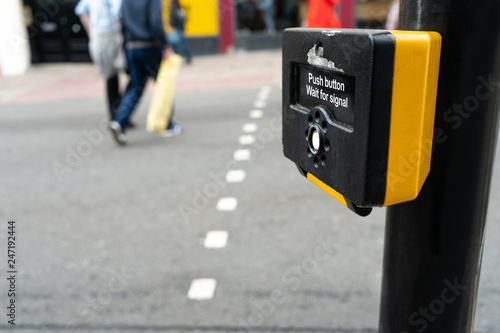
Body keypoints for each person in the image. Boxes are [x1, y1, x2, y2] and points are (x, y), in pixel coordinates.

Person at [109, 0, 182, 145]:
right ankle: (167, 124)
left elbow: (121, 23)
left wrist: (126, 47)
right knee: (163, 85)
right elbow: (155, 22)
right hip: (150, 47)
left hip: (132, 47)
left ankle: (119, 122)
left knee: (135, 87)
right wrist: (165, 45)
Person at [75, 0, 127, 121]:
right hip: (104, 36)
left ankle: (122, 110)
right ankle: (116, 115)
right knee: (111, 77)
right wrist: (92, 32)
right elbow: (81, 11)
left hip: (116, 35)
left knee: (132, 74)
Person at [168, 0, 192, 64]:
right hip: (180, 26)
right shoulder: (177, 5)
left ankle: (186, 57)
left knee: (179, 43)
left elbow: (174, 17)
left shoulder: (174, 6)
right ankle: (187, 57)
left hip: (178, 27)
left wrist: (173, 26)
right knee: (182, 43)